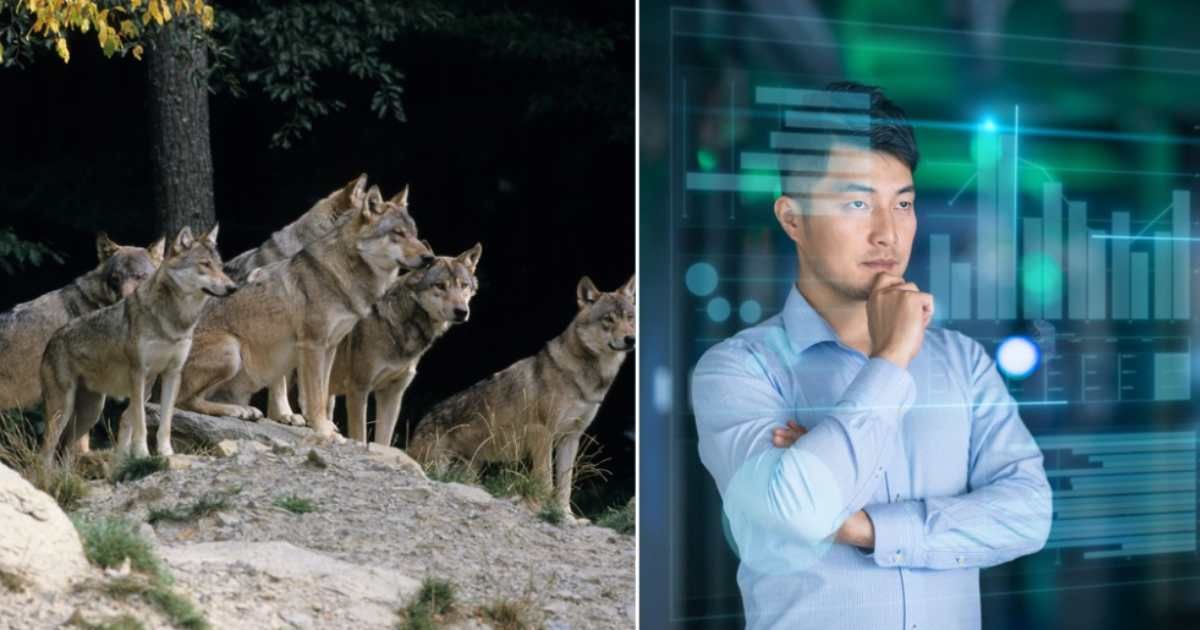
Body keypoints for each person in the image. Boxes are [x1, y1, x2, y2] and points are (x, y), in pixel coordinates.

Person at [690, 81, 1052, 630]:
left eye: (902, 203)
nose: (888, 233)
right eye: (857, 202)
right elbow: (801, 511)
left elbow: (1030, 514)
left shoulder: (962, 363)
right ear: (793, 218)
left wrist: (864, 526)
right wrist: (890, 361)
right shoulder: (739, 369)